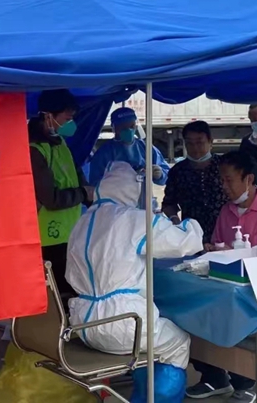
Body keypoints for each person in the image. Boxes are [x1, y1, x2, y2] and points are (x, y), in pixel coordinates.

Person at [66, 162, 203, 370]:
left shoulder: (82, 222)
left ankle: (142, 384)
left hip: (84, 323)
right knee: (178, 342)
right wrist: (185, 222)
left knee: (146, 340)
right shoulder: (133, 219)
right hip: (124, 323)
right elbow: (187, 242)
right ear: (133, 189)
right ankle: (153, 389)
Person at [187, 151, 257, 403]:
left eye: (229, 180)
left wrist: (235, 254)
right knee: (193, 308)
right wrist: (214, 249)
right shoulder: (227, 211)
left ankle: (247, 381)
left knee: (226, 311)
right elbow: (218, 244)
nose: (224, 186)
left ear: (249, 179)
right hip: (229, 282)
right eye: (221, 180)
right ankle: (214, 376)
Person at [29, 89, 94, 297]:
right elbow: (50, 199)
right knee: (59, 296)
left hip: (69, 234)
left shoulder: (59, 142)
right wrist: (83, 194)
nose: (71, 123)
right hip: (48, 239)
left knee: (72, 291)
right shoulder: (35, 150)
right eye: (67, 118)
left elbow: (75, 174)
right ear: (48, 116)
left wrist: (93, 198)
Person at [162, 121, 228, 245]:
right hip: (192, 236)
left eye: (199, 142)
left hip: (225, 233)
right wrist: (175, 221)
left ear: (210, 142)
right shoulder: (178, 171)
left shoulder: (225, 166)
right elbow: (168, 203)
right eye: (190, 143)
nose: (195, 148)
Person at [89, 106, 169, 193]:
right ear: (114, 128)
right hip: (115, 199)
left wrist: (160, 174)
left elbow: (168, 174)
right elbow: (95, 184)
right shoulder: (104, 153)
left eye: (132, 126)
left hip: (143, 199)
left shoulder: (145, 147)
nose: (129, 130)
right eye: (123, 127)